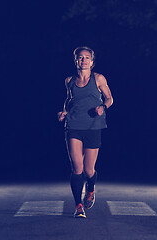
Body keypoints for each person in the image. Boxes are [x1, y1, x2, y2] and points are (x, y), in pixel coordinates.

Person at [57, 46, 113, 218]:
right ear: (76, 60)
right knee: (77, 168)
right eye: (80, 58)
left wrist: (103, 107)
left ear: (92, 61)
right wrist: (64, 112)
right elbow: (69, 99)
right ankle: (78, 206)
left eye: (87, 57)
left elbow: (110, 98)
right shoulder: (69, 80)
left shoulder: (98, 78)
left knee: (89, 171)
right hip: (73, 125)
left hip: (93, 127)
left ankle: (90, 188)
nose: (84, 60)